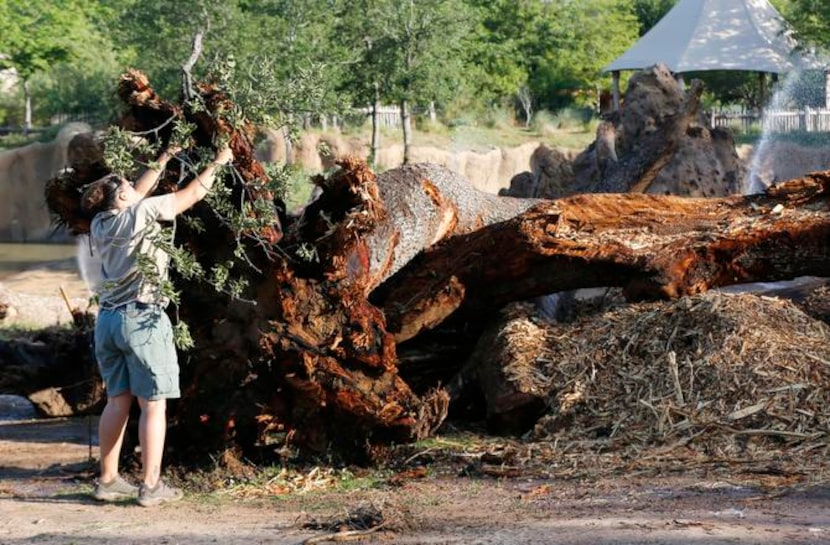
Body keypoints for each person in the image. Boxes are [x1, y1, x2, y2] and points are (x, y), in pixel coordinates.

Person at [81, 143, 233, 507]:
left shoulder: (100, 223)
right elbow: (191, 195)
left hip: (108, 321)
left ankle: (107, 480)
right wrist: (219, 162)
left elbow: (139, 191)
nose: (137, 186)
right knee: (153, 405)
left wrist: (163, 159)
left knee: (117, 400)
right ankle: (150, 486)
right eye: (128, 185)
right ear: (121, 194)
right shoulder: (143, 213)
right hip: (142, 319)